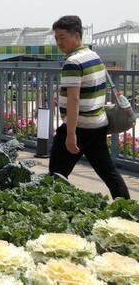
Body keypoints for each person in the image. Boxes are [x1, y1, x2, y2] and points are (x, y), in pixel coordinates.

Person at [50, 15, 130, 199]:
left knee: (56, 174)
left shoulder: (73, 63)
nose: (59, 43)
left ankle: (56, 211)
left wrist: (71, 135)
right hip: (97, 125)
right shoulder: (93, 55)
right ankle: (128, 209)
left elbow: (74, 100)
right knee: (108, 172)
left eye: (62, 37)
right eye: (56, 38)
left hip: (80, 127)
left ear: (76, 35)